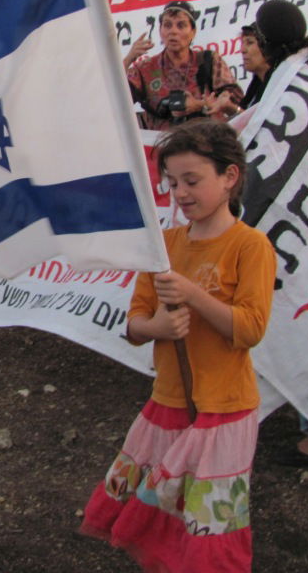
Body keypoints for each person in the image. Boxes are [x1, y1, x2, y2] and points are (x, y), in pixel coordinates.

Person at [80, 120, 275, 573]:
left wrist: (193, 295)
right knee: (161, 519)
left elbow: (250, 328)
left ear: (230, 177)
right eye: (172, 183)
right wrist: (158, 328)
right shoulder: (162, 247)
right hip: (167, 402)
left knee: (210, 529)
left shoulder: (251, 247)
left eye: (192, 180)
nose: (181, 193)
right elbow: (134, 322)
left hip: (224, 409)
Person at [123, 1, 242, 131]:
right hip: (161, 146)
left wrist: (200, 105)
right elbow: (115, 99)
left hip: (207, 143)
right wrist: (128, 59)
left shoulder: (208, 60)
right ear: (160, 30)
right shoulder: (145, 68)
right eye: (167, 25)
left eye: (181, 25)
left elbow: (235, 98)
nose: (173, 31)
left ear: (193, 32)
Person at [207, 0, 308, 116]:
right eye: (242, 43)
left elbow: (269, 125)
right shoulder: (255, 87)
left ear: (267, 45)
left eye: (250, 42)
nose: (242, 50)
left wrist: (233, 109)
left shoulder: (286, 82)